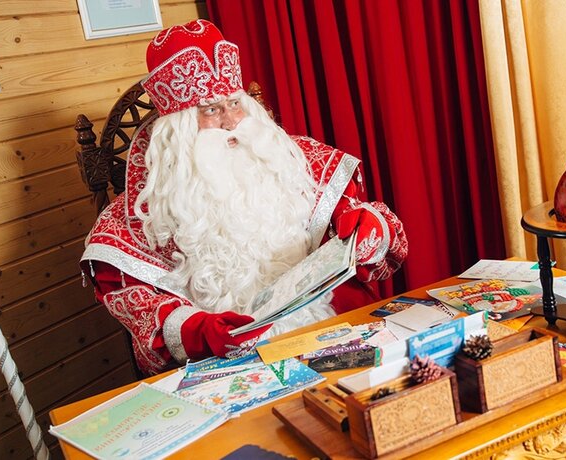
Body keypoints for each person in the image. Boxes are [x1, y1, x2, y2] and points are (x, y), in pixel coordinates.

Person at [81, 19, 408, 375]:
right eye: (211, 109)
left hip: (332, 327)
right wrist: (198, 329)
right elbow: (140, 307)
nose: (230, 121)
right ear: (178, 129)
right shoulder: (141, 214)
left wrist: (370, 227)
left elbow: (374, 239)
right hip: (232, 362)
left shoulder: (296, 161)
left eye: (234, 103)